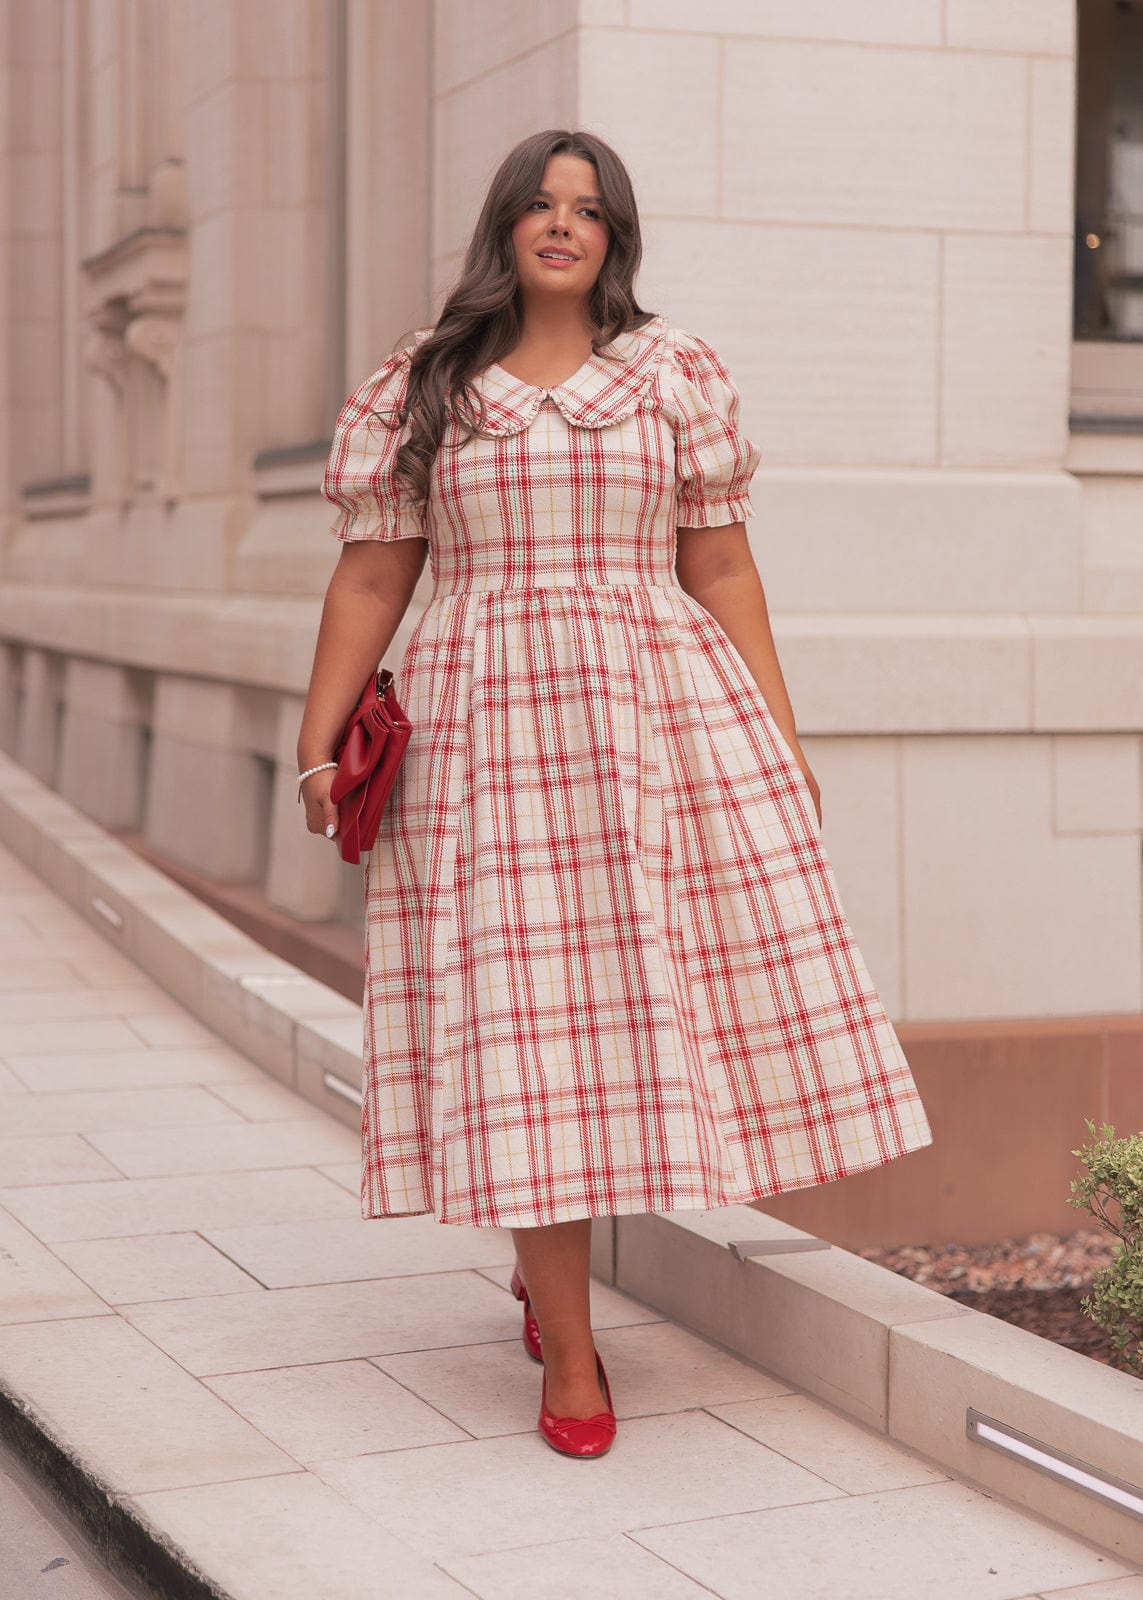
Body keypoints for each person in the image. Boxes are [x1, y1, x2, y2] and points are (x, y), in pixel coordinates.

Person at [297, 129, 934, 1459]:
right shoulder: (427, 384)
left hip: (654, 719)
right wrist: (316, 738)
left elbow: (722, 569)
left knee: (626, 1018)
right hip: (483, 725)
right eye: (538, 202)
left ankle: (550, 1280)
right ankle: (574, 1351)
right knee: (528, 1030)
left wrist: (778, 728)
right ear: (505, 227)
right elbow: (372, 576)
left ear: (615, 235)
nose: (562, 223)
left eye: (588, 208)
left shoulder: (671, 373)